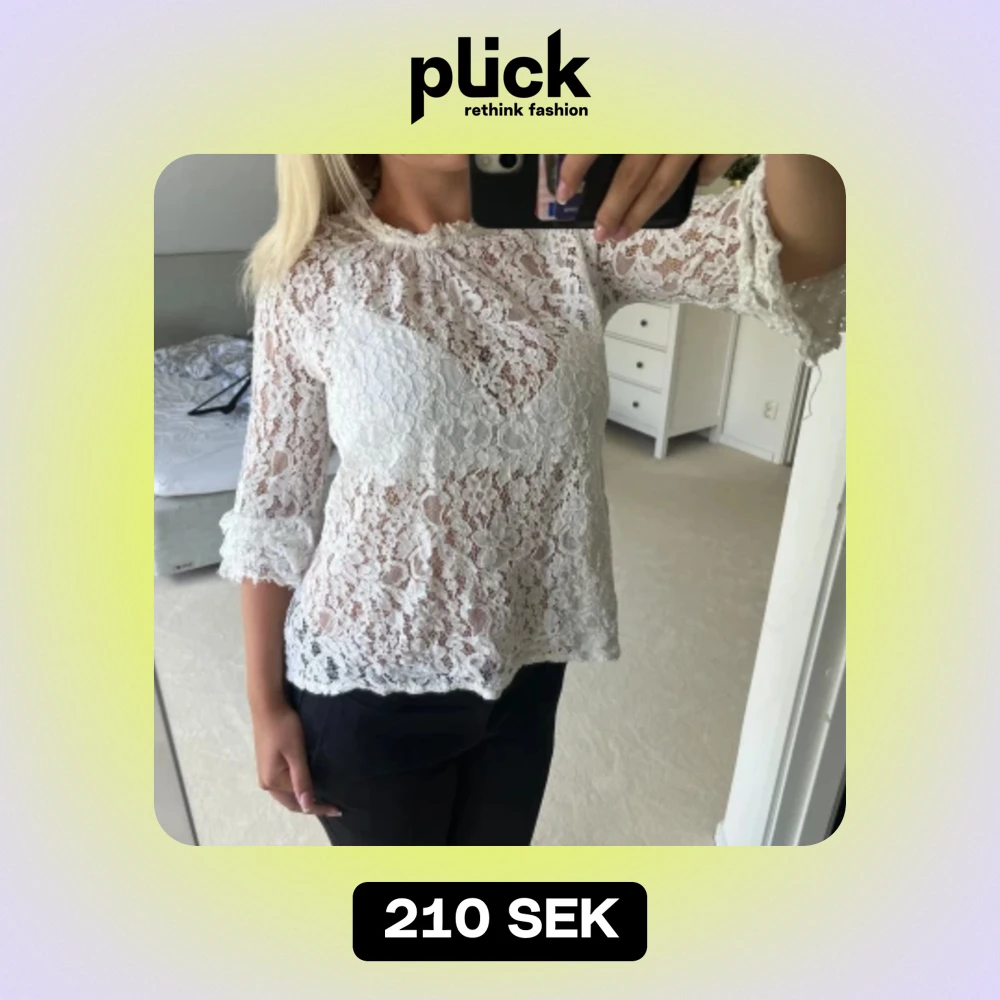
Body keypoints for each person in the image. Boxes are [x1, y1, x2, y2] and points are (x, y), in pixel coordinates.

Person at [217, 154, 846, 846]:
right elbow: (273, 509)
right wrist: (264, 702)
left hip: (529, 660)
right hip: (368, 680)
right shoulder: (308, 276)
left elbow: (799, 246)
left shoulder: (571, 234)